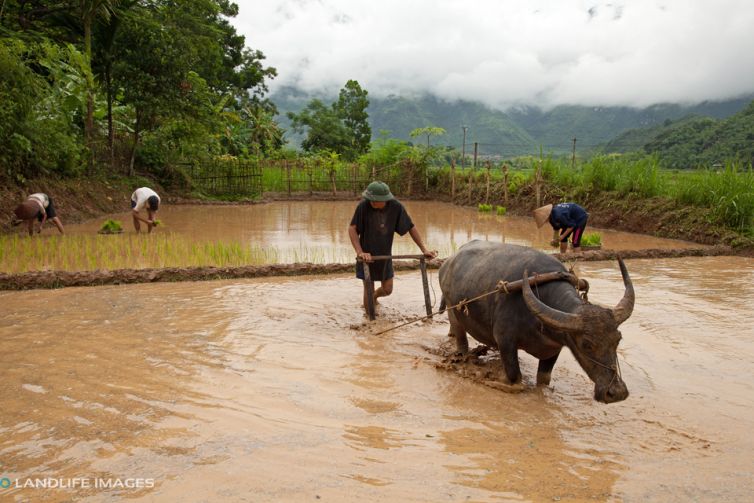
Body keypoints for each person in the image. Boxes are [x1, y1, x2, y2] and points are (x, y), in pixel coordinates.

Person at [349, 181, 437, 313]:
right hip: (366, 257)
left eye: (375, 200)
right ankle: (370, 323)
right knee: (368, 289)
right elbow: (352, 229)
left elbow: (410, 227)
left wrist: (424, 250)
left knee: (387, 289)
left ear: (385, 199)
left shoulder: (396, 207)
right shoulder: (363, 206)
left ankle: (374, 297)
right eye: (369, 199)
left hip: (385, 256)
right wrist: (360, 252)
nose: (371, 202)